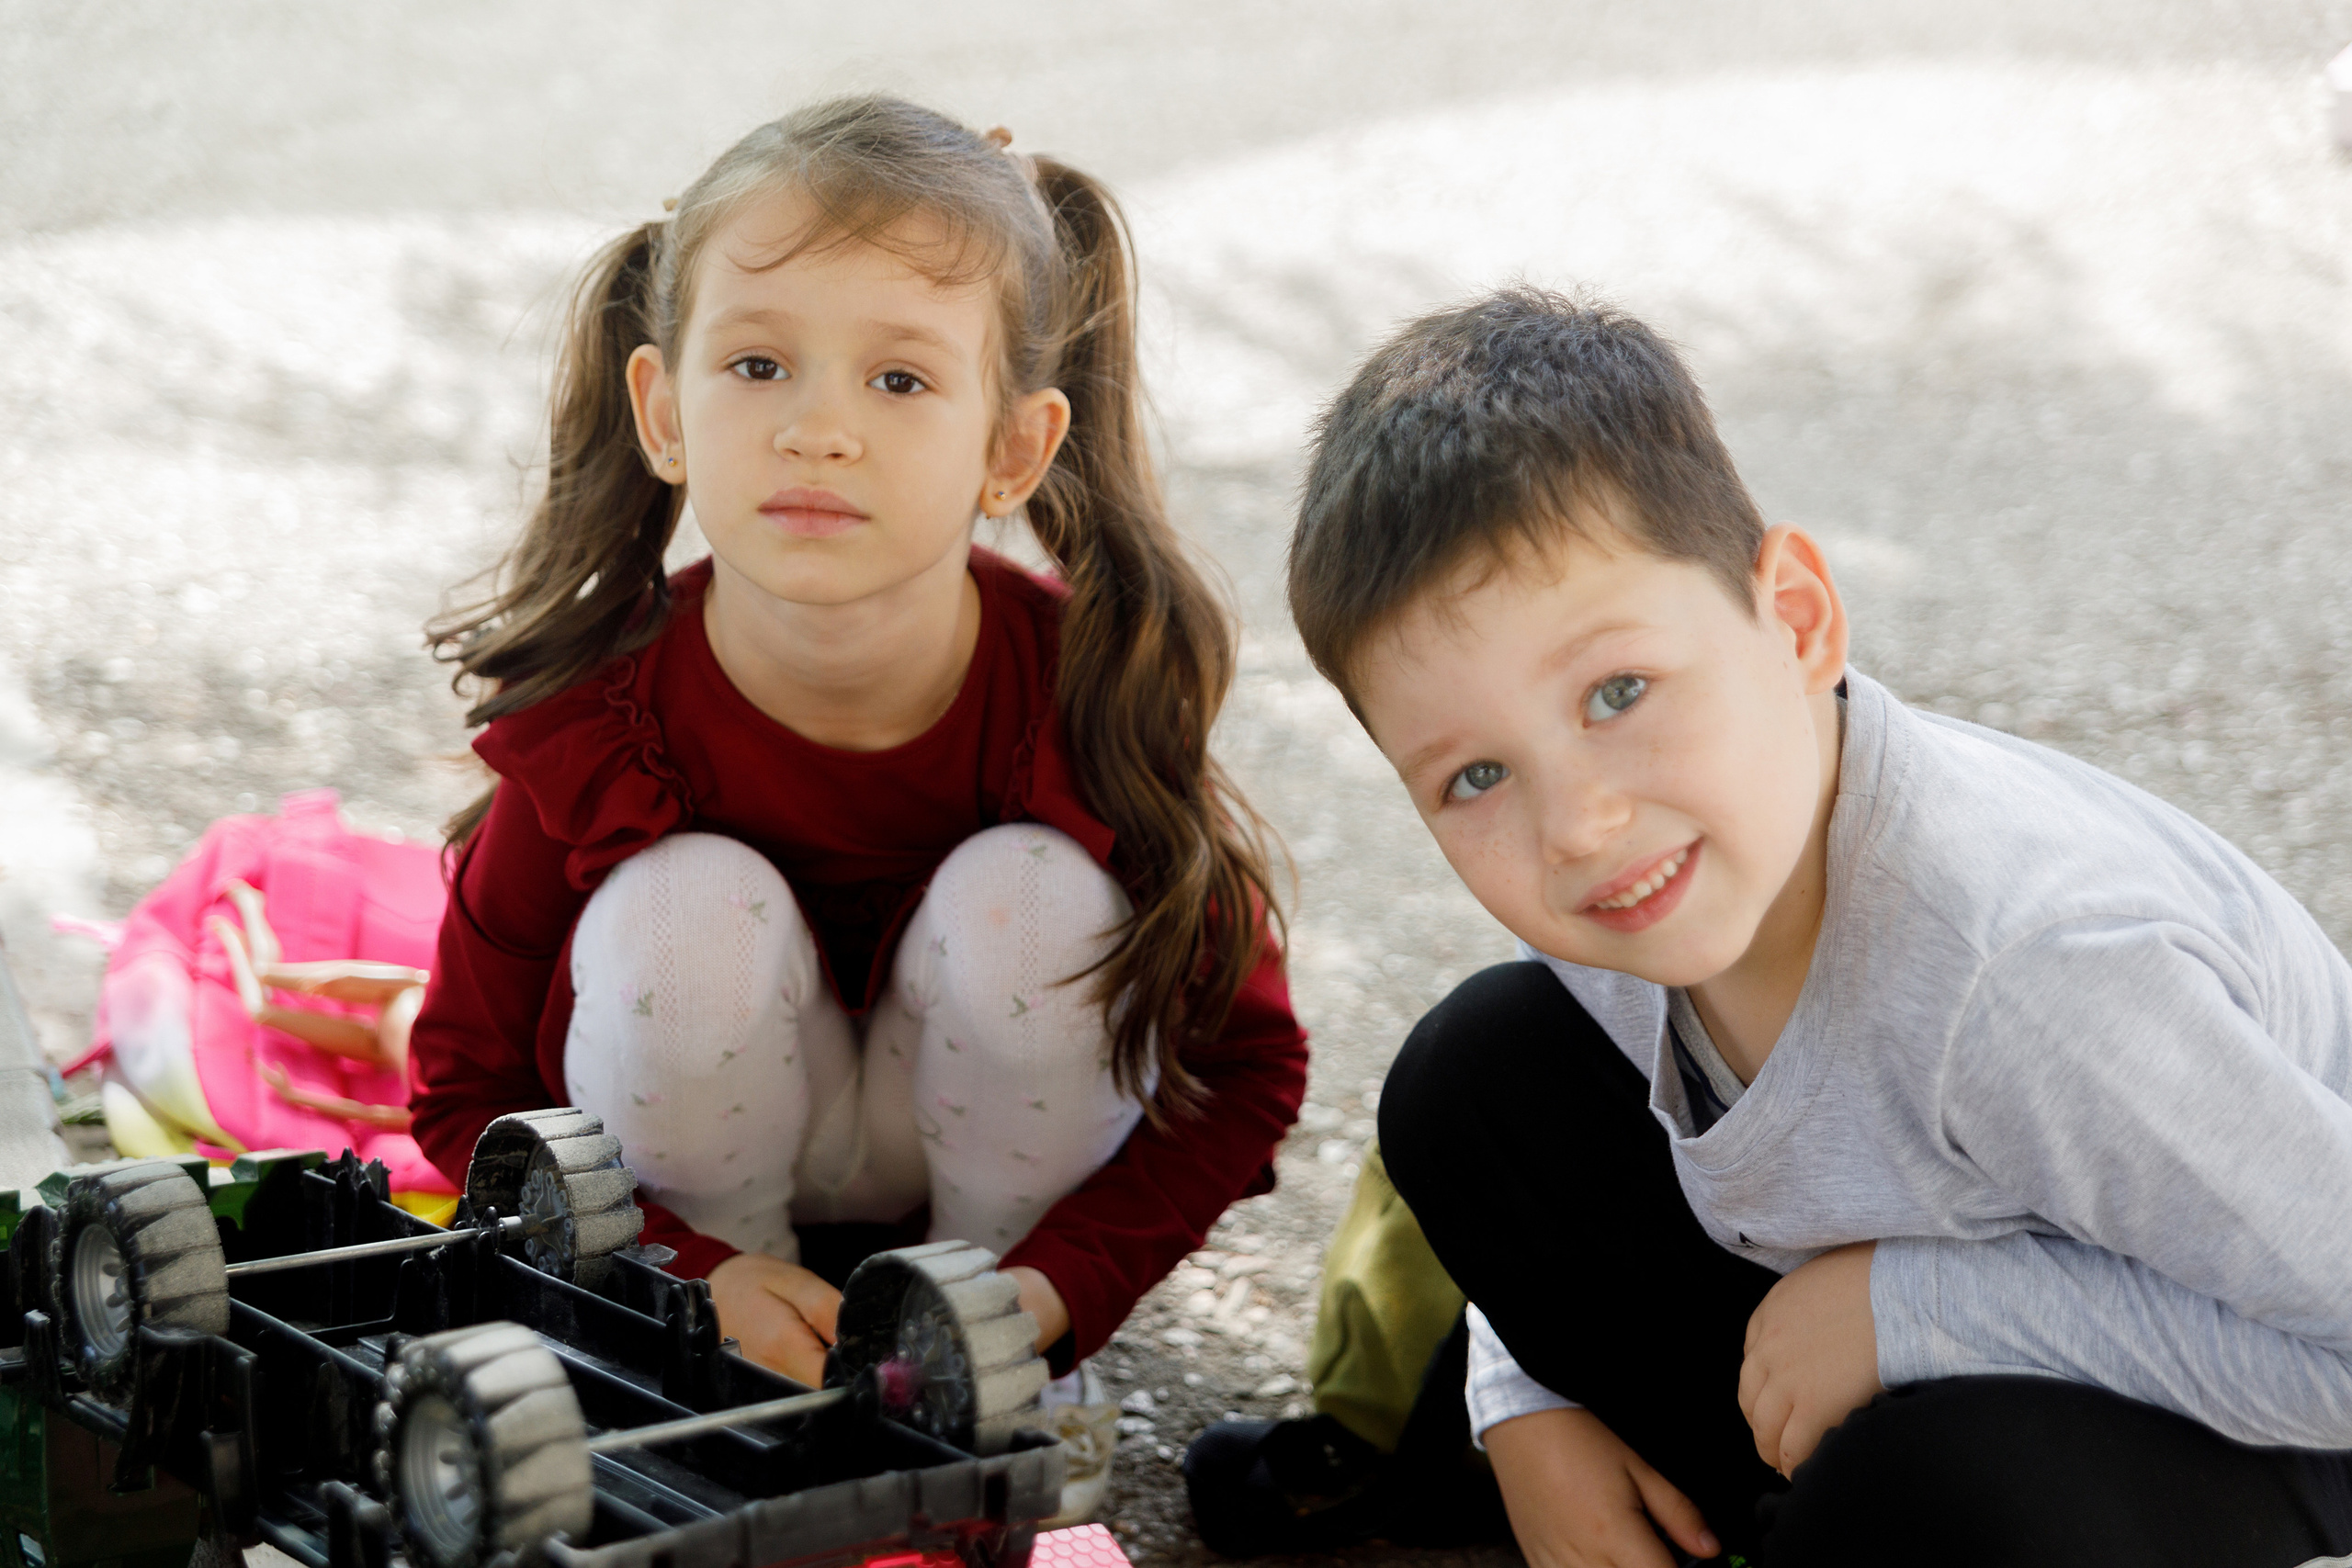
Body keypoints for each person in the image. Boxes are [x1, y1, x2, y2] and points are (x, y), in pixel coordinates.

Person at [1281, 287, 2352, 1566]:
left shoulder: (2035, 974)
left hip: (2278, 1419)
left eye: (1618, 692)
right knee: (1470, 1082)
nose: (1576, 824)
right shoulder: (1637, 883)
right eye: (1476, 775)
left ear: (1794, 619)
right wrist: (1522, 1402)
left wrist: (1921, 1309)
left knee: (1928, 1496)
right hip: (1884, 1346)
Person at [406, 98, 1306, 1507]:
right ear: (664, 411)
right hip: (697, 1220)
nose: (819, 430)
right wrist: (678, 1273)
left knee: (1034, 900)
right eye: (759, 364)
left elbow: (1247, 1066)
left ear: (1014, 450)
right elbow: (466, 1089)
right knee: (684, 906)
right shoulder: (600, 718)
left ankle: (984, 1375)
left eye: (899, 379)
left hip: (995, 1229)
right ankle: (724, 1367)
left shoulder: (1091, 694)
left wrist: (1048, 1293)